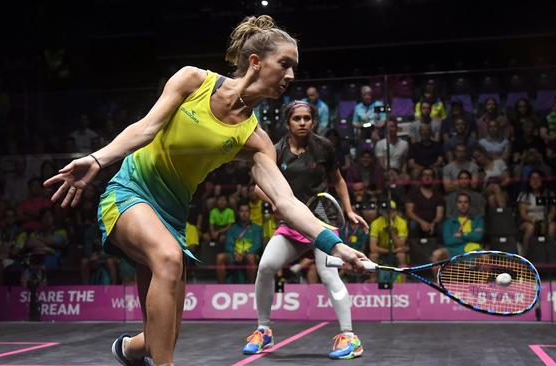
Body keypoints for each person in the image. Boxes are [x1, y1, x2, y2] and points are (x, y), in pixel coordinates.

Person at [43, 15, 368, 366]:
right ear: (256, 62)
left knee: (161, 337)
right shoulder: (193, 81)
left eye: (295, 68)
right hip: (130, 192)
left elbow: (285, 201)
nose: (291, 76)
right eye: (285, 64)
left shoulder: (256, 141)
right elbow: (146, 128)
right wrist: (97, 159)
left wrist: (335, 245)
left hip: (172, 217)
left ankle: (127, 350)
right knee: (169, 259)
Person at [244, 100, 369, 360]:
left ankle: (350, 337)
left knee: (329, 275)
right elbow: (257, 186)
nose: (302, 123)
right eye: (296, 119)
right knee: (266, 267)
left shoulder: (323, 147)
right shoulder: (276, 150)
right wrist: (274, 202)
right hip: (291, 225)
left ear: (313, 121)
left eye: (307, 118)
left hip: (322, 222)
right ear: (288, 122)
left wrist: (348, 210)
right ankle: (263, 330)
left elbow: (338, 180)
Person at [216, 201, 262, 283]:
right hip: (234, 255)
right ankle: (220, 286)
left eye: (246, 211)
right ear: (238, 213)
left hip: (249, 255)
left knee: (251, 257)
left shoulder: (256, 228)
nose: (244, 214)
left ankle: (250, 287)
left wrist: (245, 253)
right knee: (220, 257)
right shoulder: (232, 228)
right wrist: (234, 253)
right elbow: (228, 244)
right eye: (241, 211)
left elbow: (257, 244)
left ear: (249, 213)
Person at [440, 192, 484, 256]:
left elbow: (478, 237)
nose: (463, 204)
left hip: (474, 249)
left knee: (485, 256)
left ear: (469, 204)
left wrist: (461, 235)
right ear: (456, 204)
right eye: (460, 202)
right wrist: (470, 236)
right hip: (455, 250)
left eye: (466, 202)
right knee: (438, 254)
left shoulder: (478, 220)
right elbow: (448, 241)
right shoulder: (449, 222)